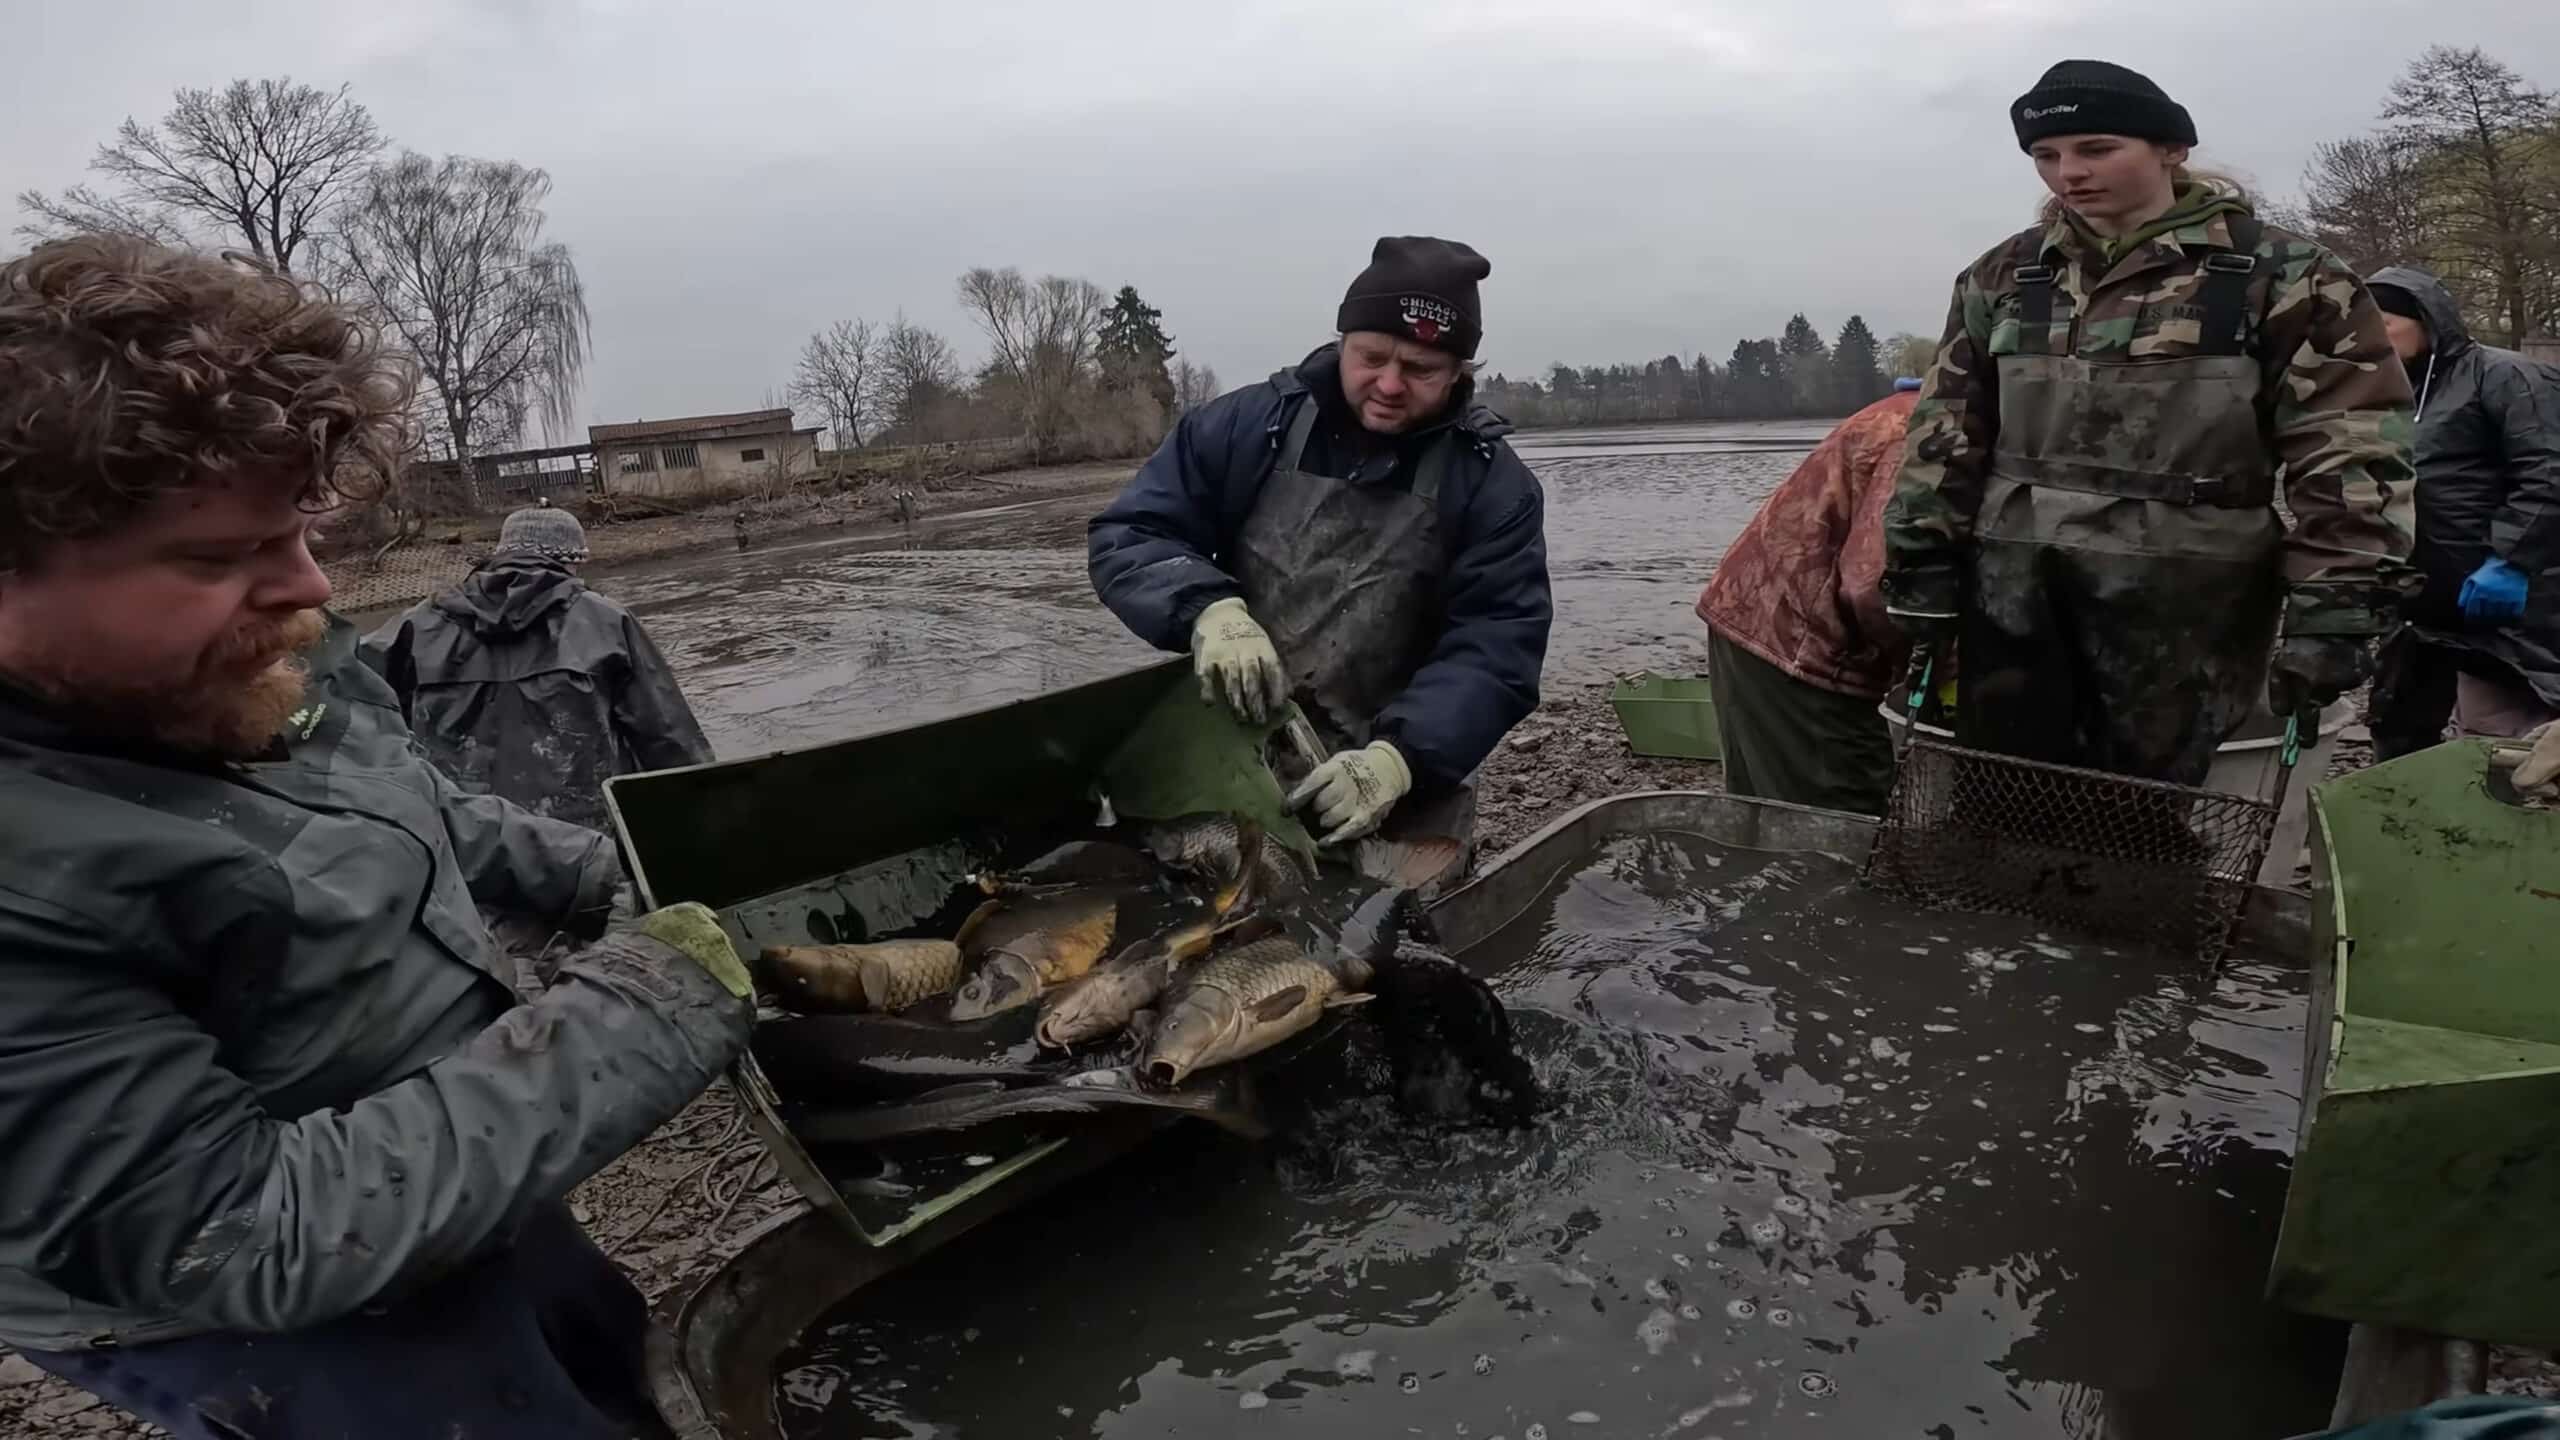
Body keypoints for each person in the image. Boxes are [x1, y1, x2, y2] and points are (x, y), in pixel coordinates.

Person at [0, 235, 755, 1439]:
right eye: (217, 555)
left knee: (619, 1378)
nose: (309, 589)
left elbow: (418, 810)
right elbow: (235, 1231)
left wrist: (635, 872)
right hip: (279, 1320)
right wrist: (649, 1005)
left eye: (299, 530)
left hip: (467, 1159)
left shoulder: (244, 662)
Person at [1881, 61, 2415, 785]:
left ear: (2172, 149)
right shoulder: (2002, 275)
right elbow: (1945, 434)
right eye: (2046, 155)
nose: (2069, 173)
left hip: (2192, 599)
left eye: (2096, 149)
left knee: (2152, 811)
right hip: (2014, 592)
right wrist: (1921, 562)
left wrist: (2338, 610)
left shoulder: (2286, 274)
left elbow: (2351, 447)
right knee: (2000, 794)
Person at [1088, 236, 1551, 854]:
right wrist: (1208, 610)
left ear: (1459, 373)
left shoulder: (1493, 485)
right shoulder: (1247, 427)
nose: (1389, 384)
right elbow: (1131, 534)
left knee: (1395, 912)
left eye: (1420, 370)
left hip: (1405, 778)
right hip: (1237, 749)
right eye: (1371, 357)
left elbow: (1497, 647)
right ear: (1342, 342)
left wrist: (1399, 760)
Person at [366, 500, 715, 835]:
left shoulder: (415, 626)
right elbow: (669, 739)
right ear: (572, 562)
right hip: (584, 845)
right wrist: (710, 815)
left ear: (500, 555)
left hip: (461, 841)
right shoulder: (606, 622)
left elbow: (353, 713)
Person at [2360, 267, 2560, 758]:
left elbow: (2548, 469)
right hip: (2419, 601)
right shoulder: (2391, 391)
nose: (2371, 336)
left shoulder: (2506, 375)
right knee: (2398, 733)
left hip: (2504, 603)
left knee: (2506, 741)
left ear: (2426, 320)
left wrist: (2512, 560)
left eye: (2384, 322)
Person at [1695, 387, 1921, 814]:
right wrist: (1931, 672)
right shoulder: (1923, 435)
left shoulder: (1917, 416)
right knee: (1841, 816)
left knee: (1766, 812)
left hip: (1749, 616)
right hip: (1793, 647)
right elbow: (1877, 585)